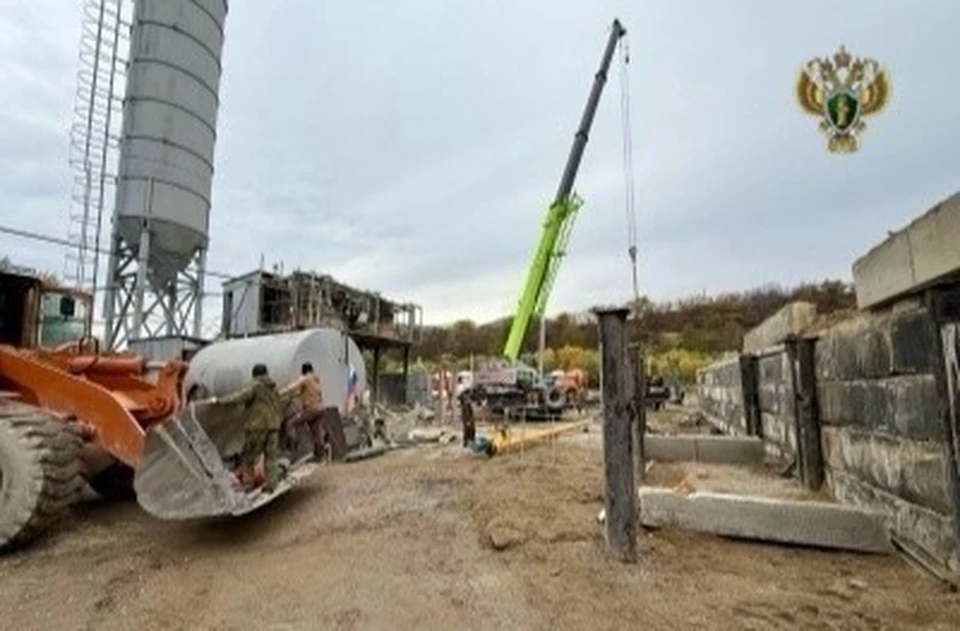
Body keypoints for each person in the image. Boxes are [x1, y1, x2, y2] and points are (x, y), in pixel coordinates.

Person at [214, 363, 284, 492]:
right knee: (271, 457)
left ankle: (248, 484)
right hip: (274, 425)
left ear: (254, 374)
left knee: (248, 456)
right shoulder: (273, 387)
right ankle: (271, 485)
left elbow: (241, 396)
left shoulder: (256, 385)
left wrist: (220, 401)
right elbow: (279, 404)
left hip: (258, 426)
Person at [281, 362, 326, 460]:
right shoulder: (316, 379)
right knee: (316, 431)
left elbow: (293, 386)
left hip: (311, 409)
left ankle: (293, 446)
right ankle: (319, 455)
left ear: (303, 371)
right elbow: (309, 393)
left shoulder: (306, 378)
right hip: (321, 409)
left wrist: (280, 393)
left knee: (290, 424)